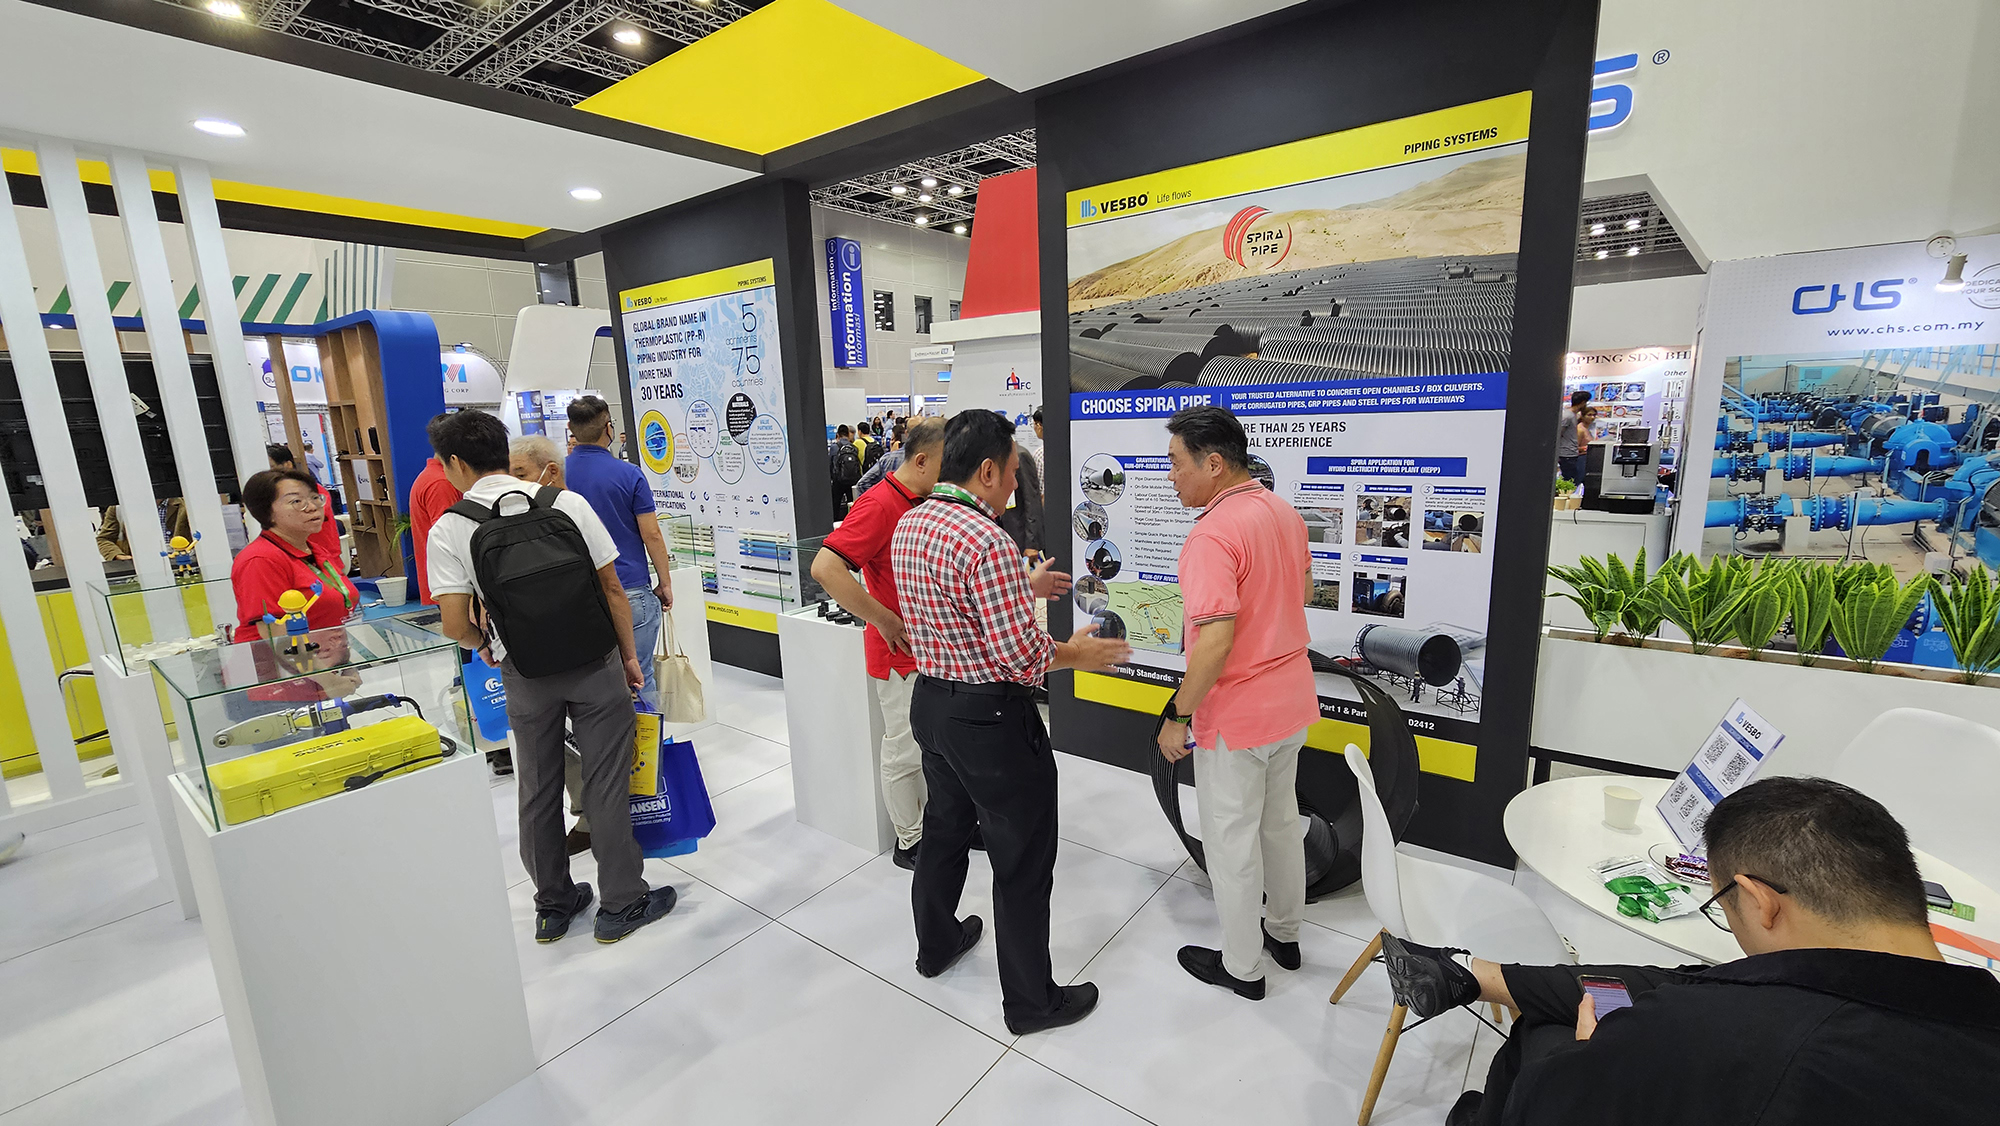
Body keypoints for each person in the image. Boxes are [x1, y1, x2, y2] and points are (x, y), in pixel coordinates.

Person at [1381, 776, 2000, 1126]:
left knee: (1544, 1032)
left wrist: (1590, 1057)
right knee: (1678, 978)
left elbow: (1557, 1104)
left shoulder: (1710, 1038)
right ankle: (1469, 974)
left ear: (1760, 902)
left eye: (1722, 906)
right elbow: (1706, 992)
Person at [891, 408, 1131, 1035]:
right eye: (1014, 475)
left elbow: (952, 608)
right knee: (1022, 857)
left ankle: (935, 945)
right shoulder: (987, 539)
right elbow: (1020, 657)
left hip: (932, 704)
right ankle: (1030, 1001)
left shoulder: (913, 521)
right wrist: (1080, 653)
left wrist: (1022, 589)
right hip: (990, 720)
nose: (1016, 490)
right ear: (989, 470)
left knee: (944, 831)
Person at [424, 409, 676, 945]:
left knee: (537, 786)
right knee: (606, 781)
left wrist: (485, 647)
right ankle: (621, 902)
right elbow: (613, 590)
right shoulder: (566, 503)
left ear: (456, 463)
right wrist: (629, 658)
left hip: (524, 670)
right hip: (595, 662)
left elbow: (453, 623)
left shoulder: (451, 527)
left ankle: (554, 905)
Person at [1152, 405, 1318, 1001]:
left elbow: (1216, 642)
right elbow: (1301, 591)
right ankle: (1286, 935)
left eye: (1177, 463)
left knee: (1231, 842)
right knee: (1281, 826)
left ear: (1214, 463)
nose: (1171, 475)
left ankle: (1243, 968)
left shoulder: (1212, 535)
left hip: (1239, 716)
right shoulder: (1283, 511)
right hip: (1291, 700)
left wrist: (1178, 715)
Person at [811, 417, 946, 871]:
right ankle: (911, 839)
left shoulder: (925, 500)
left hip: (932, 652)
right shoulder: (880, 504)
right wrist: (884, 619)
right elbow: (825, 568)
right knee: (905, 749)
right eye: (947, 464)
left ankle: (944, 826)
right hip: (900, 656)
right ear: (921, 460)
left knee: (937, 749)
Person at [228, 469, 362, 732]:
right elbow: (277, 635)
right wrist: (328, 681)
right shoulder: (260, 559)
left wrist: (345, 666)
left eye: (314, 497)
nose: (311, 507)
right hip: (275, 690)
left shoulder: (314, 550)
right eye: (296, 501)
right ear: (267, 512)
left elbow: (331, 616)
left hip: (318, 678)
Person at [564, 396, 676, 711]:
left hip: (576, 594)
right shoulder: (629, 475)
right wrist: (665, 582)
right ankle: (647, 742)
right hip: (630, 589)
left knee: (590, 681)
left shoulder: (555, 476)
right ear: (608, 428)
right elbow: (651, 534)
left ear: (570, 428)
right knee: (640, 676)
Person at [267, 444, 344, 571]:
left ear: (288, 465)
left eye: (271, 467)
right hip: (297, 561)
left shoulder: (312, 490)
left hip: (323, 561)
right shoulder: (275, 495)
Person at [409, 450, 463, 606]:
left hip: (445, 581)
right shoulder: (441, 482)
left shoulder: (432, 477)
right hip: (451, 582)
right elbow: (449, 537)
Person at [1556, 390, 1589, 484]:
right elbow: (1559, 434)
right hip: (1566, 454)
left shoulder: (1573, 415)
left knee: (1574, 479)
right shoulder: (1567, 416)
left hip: (1571, 453)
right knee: (1570, 481)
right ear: (1582, 402)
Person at [829, 424, 861, 519]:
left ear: (837, 435)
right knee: (852, 505)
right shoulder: (853, 447)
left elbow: (831, 464)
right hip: (852, 480)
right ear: (848, 434)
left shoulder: (834, 447)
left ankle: (836, 521)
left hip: (838, 481)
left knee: (836, 504)